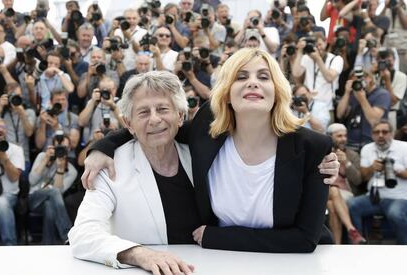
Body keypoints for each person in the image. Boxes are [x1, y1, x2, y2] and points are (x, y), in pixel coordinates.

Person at [81, 49, 340, 255]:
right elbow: (159, 128)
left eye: (263, 77)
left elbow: (305, 240)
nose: (252, 83)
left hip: (295, 268)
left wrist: (217, 237)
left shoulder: (313, 149)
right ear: (226, 92)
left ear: (278, 90)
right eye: (241, 77)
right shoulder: (208, 128)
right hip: (221, 266)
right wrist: (101, 147)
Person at [69, 71, 197, 275]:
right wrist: (140, 254)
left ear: (180, 116)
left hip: (205, 271)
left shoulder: (201, 157)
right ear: (128, 124)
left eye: (163, 109)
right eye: (144, 112)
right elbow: (82, 234)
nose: (155, 119)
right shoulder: (110, 166)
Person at [348, 120, 407, 245]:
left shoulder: (404, 147)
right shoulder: (367, 149)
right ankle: (359, 243)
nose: (380, 135)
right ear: (372, 134)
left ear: (391, 133)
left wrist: (395, 171)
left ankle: (404, 246)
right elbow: (363, 177)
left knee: (395, 213)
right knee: (352, 205)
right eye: (377, 132)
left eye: (385, 132)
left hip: (400, 197)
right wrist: (372, 168)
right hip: (374, 197)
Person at [29, 134, 76, 244]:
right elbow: (32, 180)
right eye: (58, 147)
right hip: (34, 198)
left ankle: (47, 244)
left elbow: (59, 192)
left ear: (69, 149)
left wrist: (60, 169)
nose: (60, 149)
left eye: (63, 148)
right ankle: (67, 233)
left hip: (50, 202)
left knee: (49, 206)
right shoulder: (42, 156)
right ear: (53, 147)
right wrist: (46, 160)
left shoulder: (71, 171)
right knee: (53, 193)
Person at [326, 123, 366, 244]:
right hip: (324, 190)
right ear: (330, 137)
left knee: (332, 205)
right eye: (339, 136)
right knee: (333, 190)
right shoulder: (322, 152)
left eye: (345, 136)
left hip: (345, 193)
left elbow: (358, 180)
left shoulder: (352, 155)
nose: (343, 139)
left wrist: (347, 163)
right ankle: (352, 230)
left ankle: (337, 245)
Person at [0, 117, 24, 245]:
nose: (0, 130)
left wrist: (4, 159)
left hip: (8, 193)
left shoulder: (16, 149)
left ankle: (10, 247)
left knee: (2, 203)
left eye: (3, 127)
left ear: (6, 130)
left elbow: (14, 177)